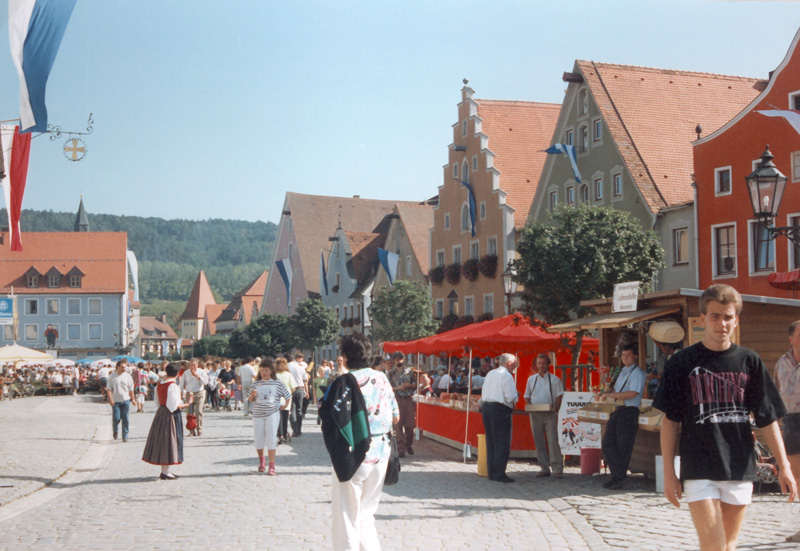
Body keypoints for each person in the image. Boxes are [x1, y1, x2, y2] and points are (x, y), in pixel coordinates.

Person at [655, 284, 797, 551]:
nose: (722, 323)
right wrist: (669, 475)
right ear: (703, 319)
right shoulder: (681, 363)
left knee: (728, 546)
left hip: (740, 466)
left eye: (728, 316)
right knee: (715, 547)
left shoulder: (749, 361)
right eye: (715, 316)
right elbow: (670, 421)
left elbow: (767, 419)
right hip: (698, 466)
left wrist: (784, 466)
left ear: (736, 320)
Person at [328, 332, 399, 551]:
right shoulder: (382, 378)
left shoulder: (344, 382)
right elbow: (396, 417)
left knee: (347, 517)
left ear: (346, 356)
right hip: (381, 452)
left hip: (353, 454)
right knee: (366, 515)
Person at [599, 343, 645, 490]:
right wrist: (605, 393)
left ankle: (619, 477)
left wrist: (611, 395)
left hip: (629, 411)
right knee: (608, 443)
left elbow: (633, 393)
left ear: (635, 356)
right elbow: (617, 389)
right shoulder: (623, 371)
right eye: (623, 355)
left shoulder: (637, 373)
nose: (625, 358)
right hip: (618, 409)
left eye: (628, 355)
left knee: (623, 446)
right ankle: (618, 475)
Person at [774, 319, 800, 543]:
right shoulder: (782, 363)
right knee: (798, 477)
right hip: (791, 422)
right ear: (791, 338)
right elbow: (776, 391)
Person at [142, 363, 189, 479]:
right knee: (169, 441)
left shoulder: (159, 384)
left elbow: (157, 402)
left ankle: (165, 470)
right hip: (170, 415)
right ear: (177, 374)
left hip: (161, 413)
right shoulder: (173, 386)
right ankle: (165, 471)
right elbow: (173, 405)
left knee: (164, 441)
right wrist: (188, 403)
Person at [524, 354, 565, 478]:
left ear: (548, 364)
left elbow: (559, 396)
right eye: (539, 363)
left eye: (543, 363)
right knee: (538, 441)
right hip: (535, 414)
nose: (541, 365)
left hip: (549, 413)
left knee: (553, 440)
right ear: (536, 365)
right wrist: (530, 406)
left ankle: (557, 468)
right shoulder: (531, 379)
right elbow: (527, 396)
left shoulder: (554, 379)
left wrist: (555, 410)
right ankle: (544, 468)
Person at [480, 353, 519, 483]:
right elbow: (510, 396)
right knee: (501, 442)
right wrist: (516, 396)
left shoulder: (491, 373)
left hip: (487, 408)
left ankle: (492, 472)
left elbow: (484, 391)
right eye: (514, 363)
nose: (515, 366)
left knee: (491, 441)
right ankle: (499, 473)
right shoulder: (506, 376)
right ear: (509, 363)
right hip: (500, 409)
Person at [249, 357, 291, 474]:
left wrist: (285, 405)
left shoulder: (277, 383)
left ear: (271, 371)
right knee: (258, 439)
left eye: (266, 370)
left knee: (271, 438)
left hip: (272, 413)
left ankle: (272, 465)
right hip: (258, 414)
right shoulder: (256, 384)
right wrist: (252, 395)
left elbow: (288, 395)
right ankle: (262, 460)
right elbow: (250, 399)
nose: (263, 372)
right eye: (262, 370)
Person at [387, 352, 416, 457]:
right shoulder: (390, 374)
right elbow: (387, 389)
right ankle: (401, 449)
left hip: (408, 399)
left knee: (410, 425)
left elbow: (415, 385)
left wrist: (409, 385)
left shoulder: (409, 372)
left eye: (400, 359)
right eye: (397, 359)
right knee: (398, 426)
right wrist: (399, 388)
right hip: (397, 399)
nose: (399, 361)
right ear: (393, 360)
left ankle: (408, 444)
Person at [646, 321, 684, 399]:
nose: (660, 349)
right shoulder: (668, 357)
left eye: (660, 347)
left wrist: (657, 377)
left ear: (666, 347)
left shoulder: (679, 357)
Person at [107, 360, 135, 442]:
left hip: (125, 400)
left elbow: (131, 389)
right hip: (116, 401)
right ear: (118, 366)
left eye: (125, 367)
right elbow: (109, 389)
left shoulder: (128, 376)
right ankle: (115, 431)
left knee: (125, 418)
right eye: (122, 367)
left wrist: (133, 399)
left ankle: (125, 435)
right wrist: (110, 399)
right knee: (116, 418)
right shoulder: (112, 376)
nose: (124, 369)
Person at [181, 359, 208, 436]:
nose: (192, 367)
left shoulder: (202, 372)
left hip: (199, 393)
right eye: (191, 365)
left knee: (199, 411)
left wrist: (197, 376)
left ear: (197, 365)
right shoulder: (186, 373)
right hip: (189, 393)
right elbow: (182, 384)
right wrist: (181, 395)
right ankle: (191, 431)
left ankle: (199, 429)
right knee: (189, 413)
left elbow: (205, 382)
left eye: (194, 365)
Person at [287, 352, 309, 436]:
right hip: (300, 389)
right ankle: (299, 429)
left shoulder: (288, 367)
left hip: (291, 389)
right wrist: (306, 391)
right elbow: (305, 380)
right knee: (299, 410)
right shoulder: (301, 368)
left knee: (292, 410)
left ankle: (295, 429)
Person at [274, 357, 294, 444]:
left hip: (277, 398)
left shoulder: (275, 375)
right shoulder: (289, 375)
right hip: (287, 399)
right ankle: (285, 435)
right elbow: (293, 387)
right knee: (285, 418)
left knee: (278, 418)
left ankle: (281, 435)